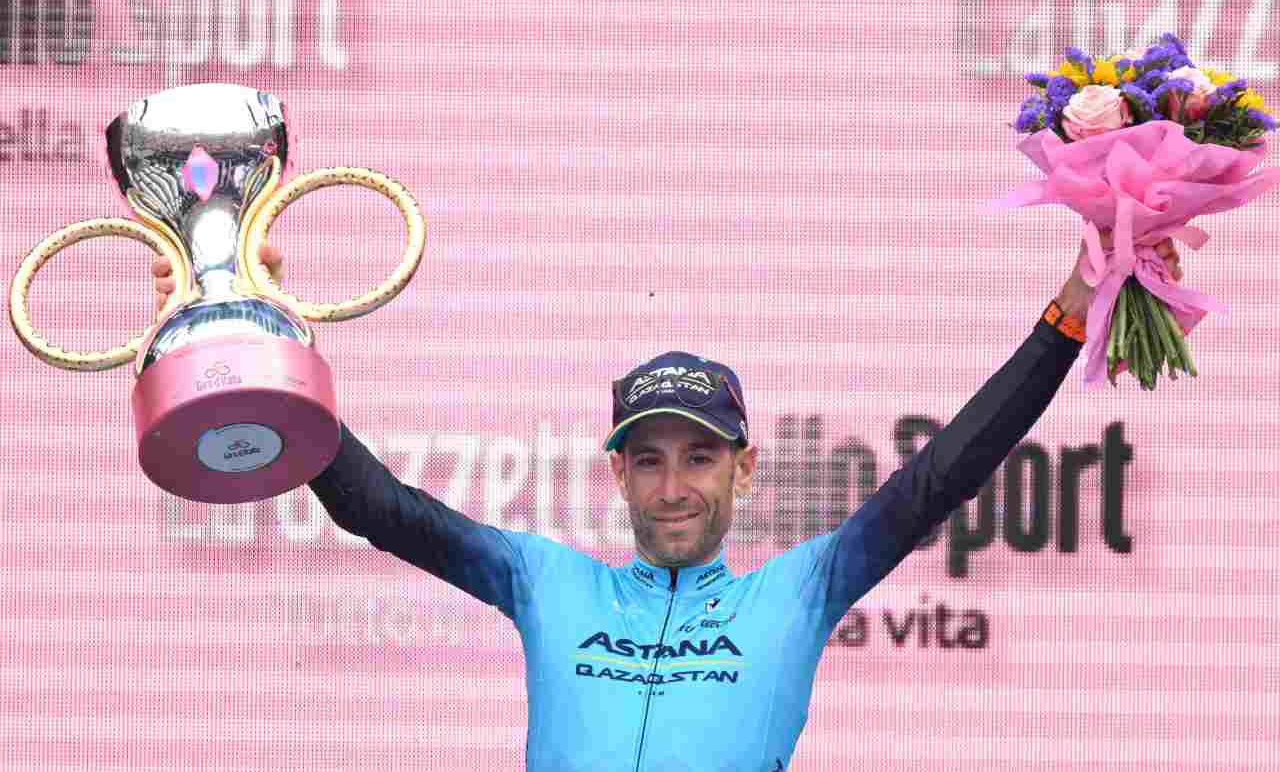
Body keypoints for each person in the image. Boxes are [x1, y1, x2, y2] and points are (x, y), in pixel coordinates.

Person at [153, 239, 1182, 772]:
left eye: (699, 457)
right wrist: (263, 336)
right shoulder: (544, 580)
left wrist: (1069, 310)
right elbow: (379, 507)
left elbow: (939, 478)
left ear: (745, 470)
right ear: (617, 476)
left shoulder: (800, 588)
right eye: (646, 460)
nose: (673, 485)